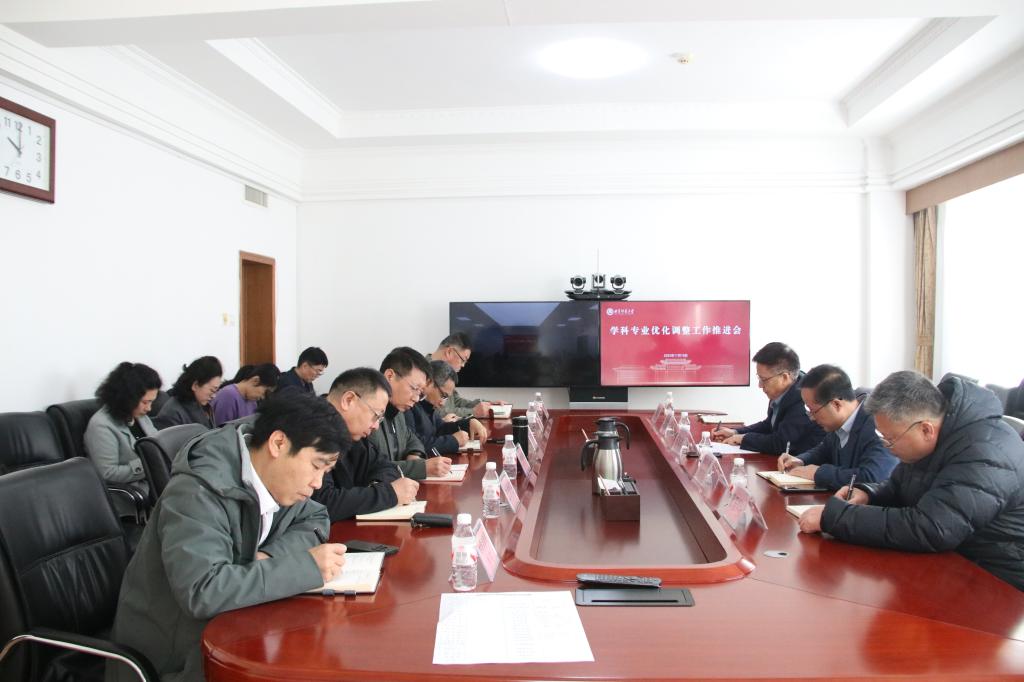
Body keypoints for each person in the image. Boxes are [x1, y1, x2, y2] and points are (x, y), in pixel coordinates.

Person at [109, 392, 351, 681]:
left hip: (236, 628)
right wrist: (304, 567)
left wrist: (269, 557)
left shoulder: (272, 478)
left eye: (326, 471)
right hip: (177, 658)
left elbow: (315, 518)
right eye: (316, 465)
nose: (318, 482)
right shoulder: (197, 490)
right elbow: (202, 590)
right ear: (278, 443)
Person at [797, 371, 1024, 591]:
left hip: (999, 581)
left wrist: (834, 518)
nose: (887, 447)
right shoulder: (934, 437)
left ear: (926, 429)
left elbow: (931, 528)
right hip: (951, 563)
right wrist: (868, 494)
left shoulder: (986, 452)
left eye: (890, 439)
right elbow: (899, 487)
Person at [313, 367, 420, 521]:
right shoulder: (312, 429)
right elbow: (322, 503)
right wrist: (388, 493)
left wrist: (376, 487)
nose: (375, 426)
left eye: (380, 419)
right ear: (348, 400)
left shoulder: (353, 434)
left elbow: (386, 467)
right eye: (375, 416)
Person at [777, 364, 897, 490]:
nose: (812, 418)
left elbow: (872, 477)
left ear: (836, 404)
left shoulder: (878, 424)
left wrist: (818, 473)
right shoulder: (838, 423)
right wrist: (800, 460)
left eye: (814, 411)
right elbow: (824, 450)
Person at [712, 342, 824, 455]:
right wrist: (735, 432)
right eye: (759, 378)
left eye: (764, 379)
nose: (760, 385)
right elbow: (769, 425)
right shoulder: (782, 391)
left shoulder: (803, 399)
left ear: (784, 377)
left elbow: (781, 443)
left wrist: (743, 438)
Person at [367, 346, 451, 479]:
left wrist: (415, 454)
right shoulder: (367, 416)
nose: (416, 398)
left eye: (420, 392)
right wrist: (419, 467)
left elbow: (412, 439)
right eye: (414, 388)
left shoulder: (397, 411)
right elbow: (372, 468)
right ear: (390, 376)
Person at [84, 362, 162, 496]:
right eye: (145, 402)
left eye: (151, 402)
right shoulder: (101, 425)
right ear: (127, 398)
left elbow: (157, 444)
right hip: (134, 492)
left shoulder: (139, 416)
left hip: (157, 482)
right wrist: (150, 463)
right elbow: (107, 473)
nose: (149, 408)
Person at [407, 360, 489, 455]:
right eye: (443, 395)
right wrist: (454, 441)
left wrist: (468, 424)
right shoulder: (409, 406)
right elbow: (415, 446)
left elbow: (441, 429)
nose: (443, 403)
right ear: (429, 382)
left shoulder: (429, 405)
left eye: (446, 398)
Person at [427, 333, 504, 419]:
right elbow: (438, 412)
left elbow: (456, 401)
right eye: (463, 360)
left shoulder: (446, 373)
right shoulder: (424, 373)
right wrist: (474, 411)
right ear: (449, 352)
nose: (463, 365)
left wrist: (485, 405)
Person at [154, 356, 223, 429]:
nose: (214, 396)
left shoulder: (204, 406)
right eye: (212, 390)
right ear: (195, 385)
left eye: (216, 391)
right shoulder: (173, 412)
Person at [211, 363, 281, 426]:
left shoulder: (252, 400)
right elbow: (221, 430)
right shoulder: (228, 395)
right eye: (264, 392)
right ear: (255, 380)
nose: (263, 397)